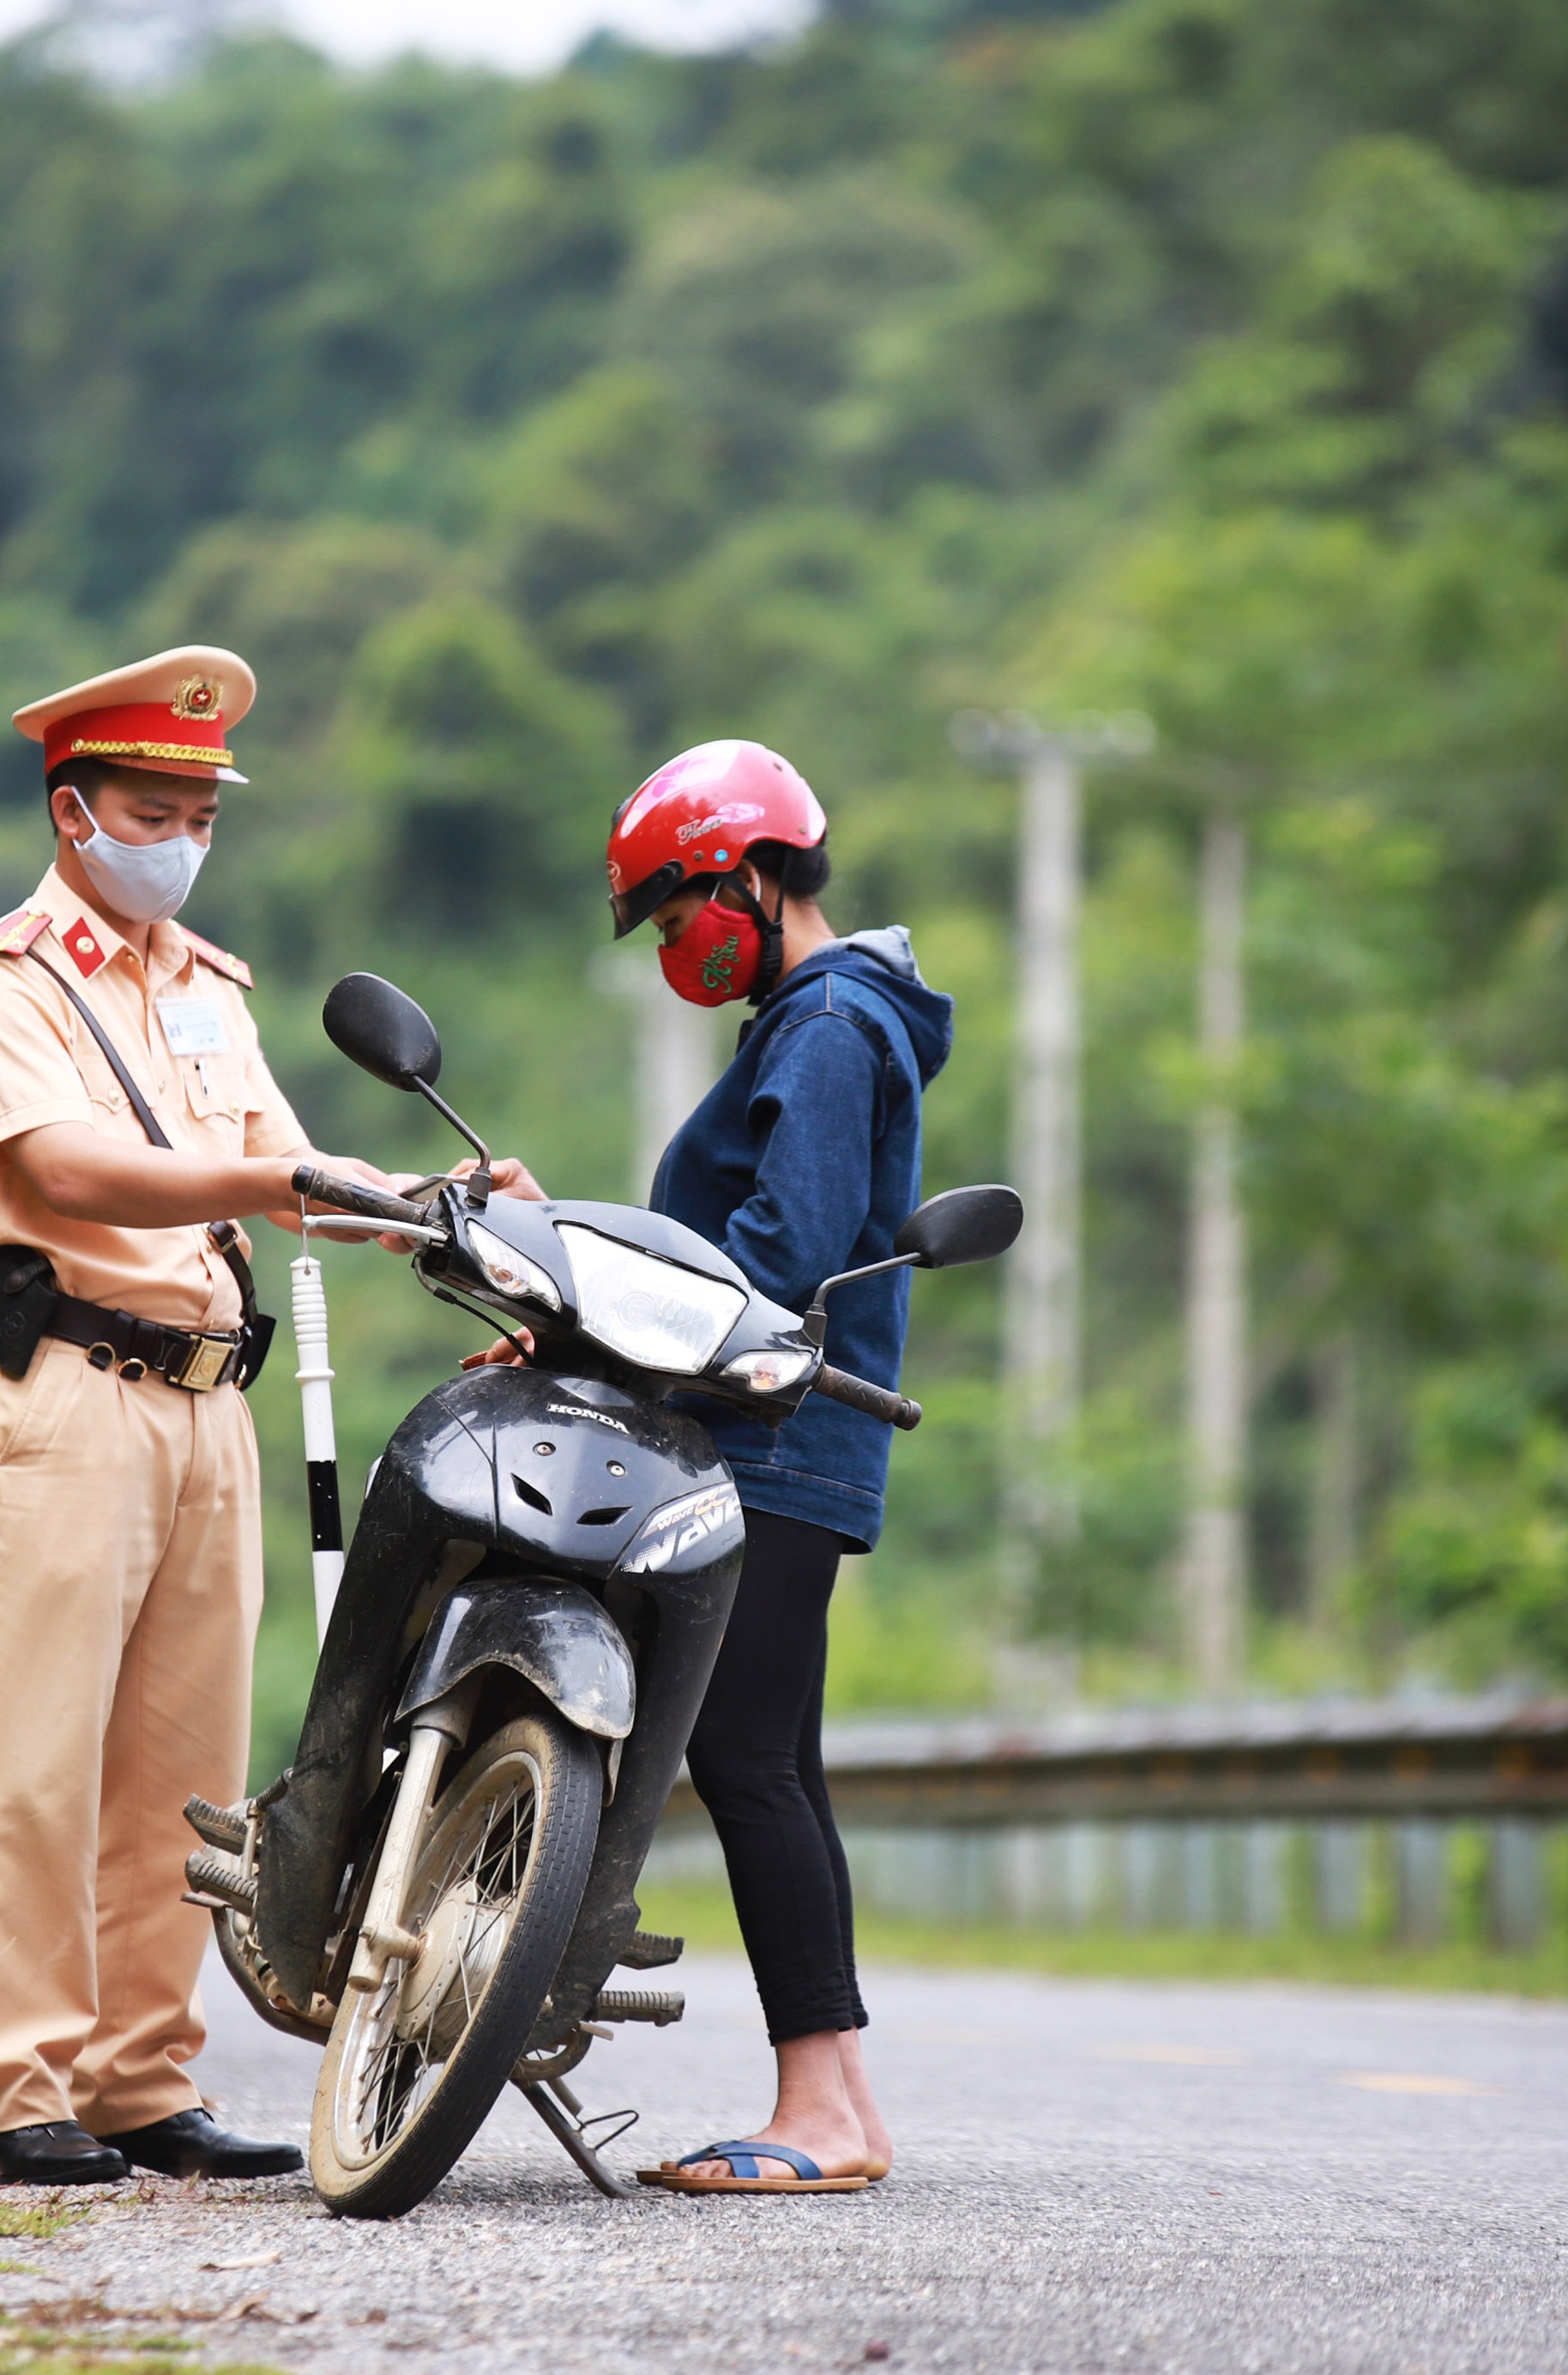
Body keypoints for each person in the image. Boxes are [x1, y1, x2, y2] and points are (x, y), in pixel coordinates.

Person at [0, 645, 431, 2189]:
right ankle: (14, 2097)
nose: (187, 834)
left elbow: (295, 1169)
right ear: (75, 812)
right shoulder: (3, 985)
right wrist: (277, 1186)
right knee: (39, 1759)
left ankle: (142, 2078)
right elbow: (66, 1172)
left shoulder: (210, 991)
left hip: (212, 1409)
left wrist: (436, 1206)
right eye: (159, 806)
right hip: (67, 1397)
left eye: (205, 810)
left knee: (186, 1771)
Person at [610, 739, 954, 2193]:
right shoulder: (819, 1018)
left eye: (682, 913)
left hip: (771, 1437)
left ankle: (814, 2107)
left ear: (749, 876)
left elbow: (777, 1251)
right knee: (776, 1763)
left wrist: (620, 1344)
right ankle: (846, 2109)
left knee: (744, 1758)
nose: (682, 948)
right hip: (786, 1434)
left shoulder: (825, 1022)